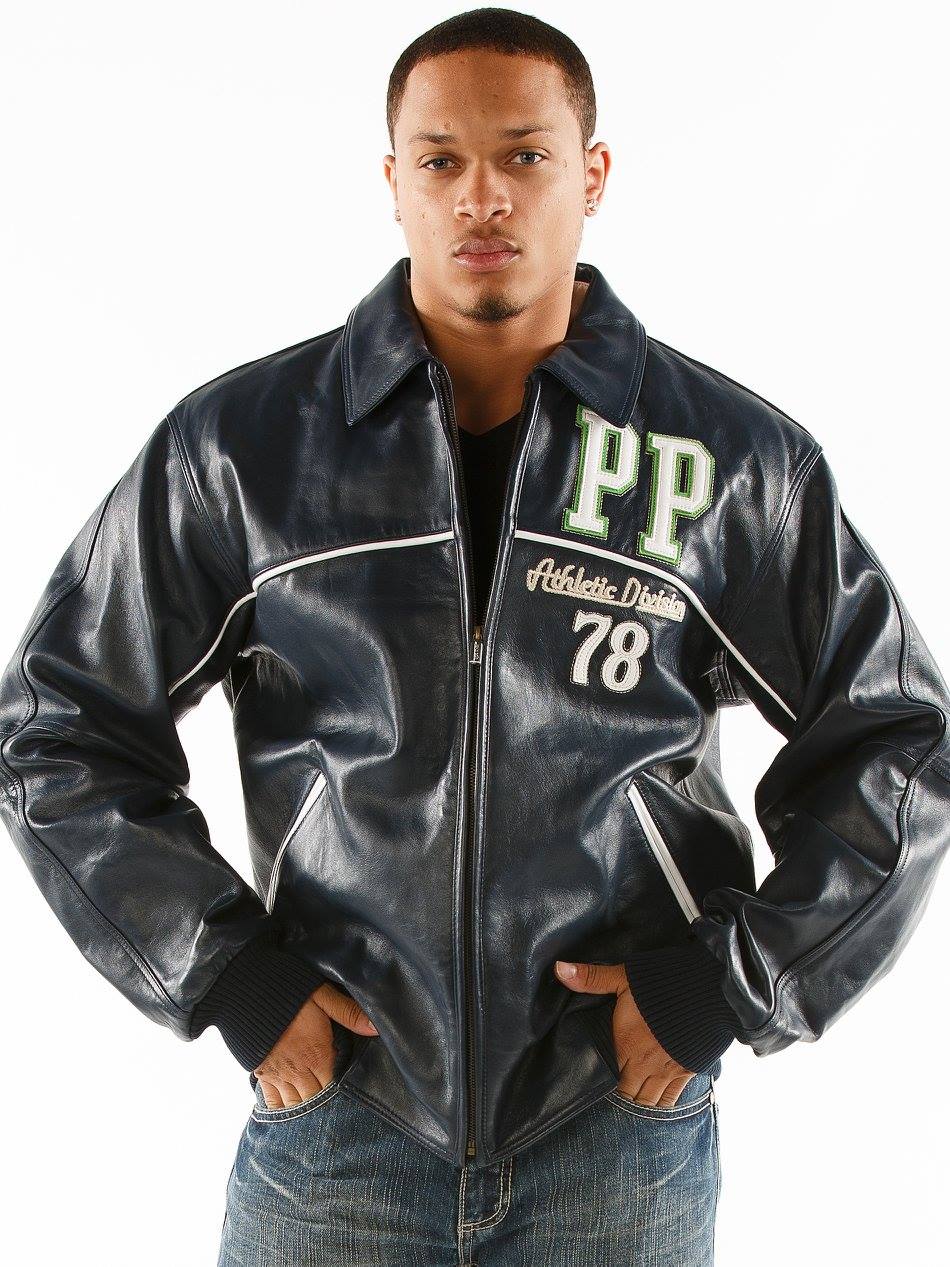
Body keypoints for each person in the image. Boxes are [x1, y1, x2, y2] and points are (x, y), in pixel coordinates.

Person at [1, 8, 948, 1265]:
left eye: (524, 156)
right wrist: (230, 978)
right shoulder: (241, 450)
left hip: (613, 1133)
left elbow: (899, 742)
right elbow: (56, 727)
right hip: (340, 1124)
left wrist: (725, 987)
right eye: (440, 160)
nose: (480, 196)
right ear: (392, 181)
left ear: (590, 174)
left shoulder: (729, 462)